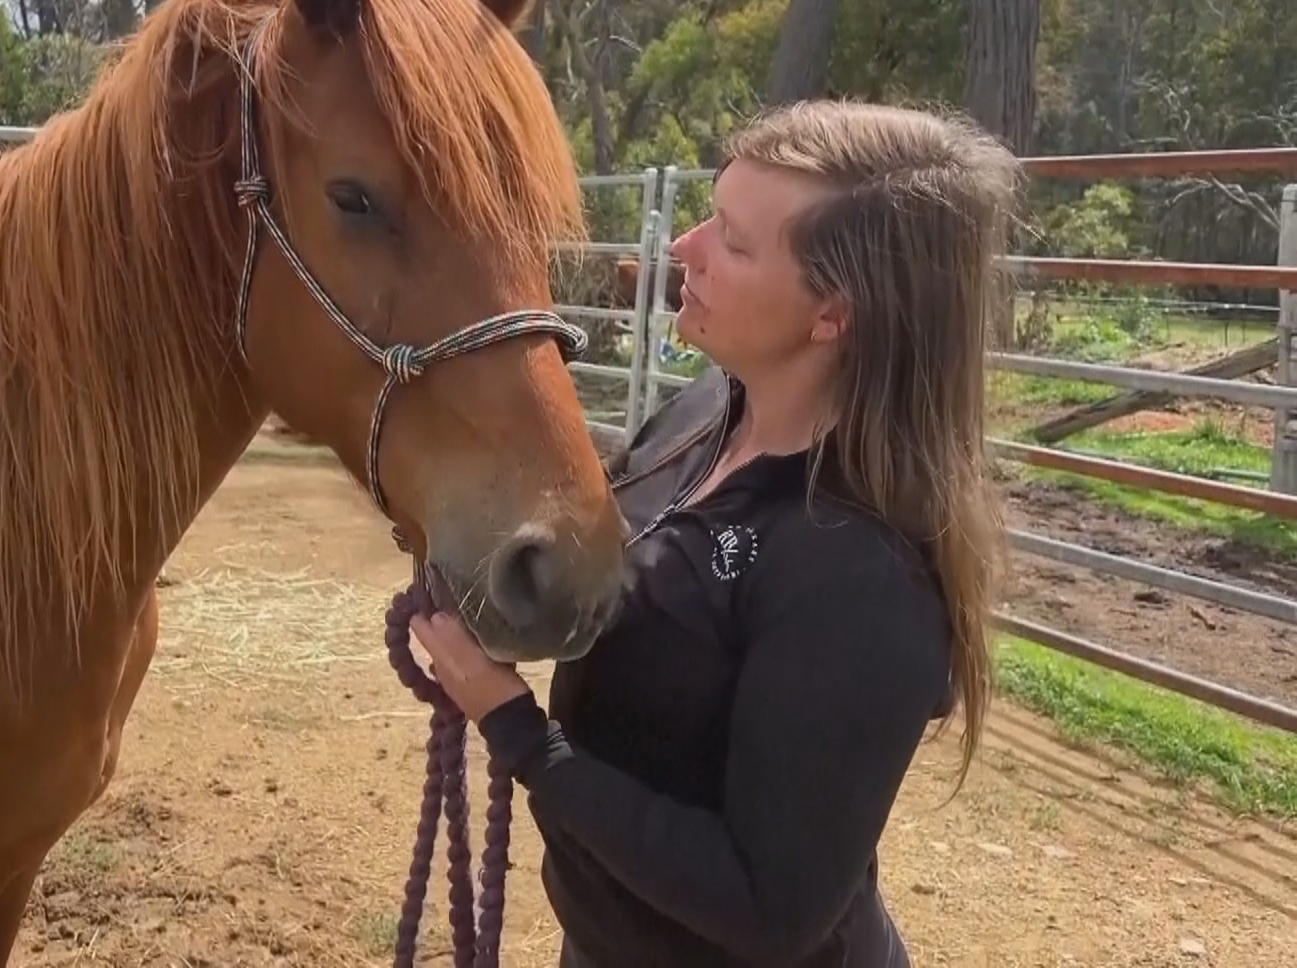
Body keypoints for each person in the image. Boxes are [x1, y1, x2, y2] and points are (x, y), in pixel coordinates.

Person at [410, 99, 1017, 968]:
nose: (685, 248)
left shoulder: (855, 574)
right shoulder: (706, 414)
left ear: (833, 313)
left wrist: (520, 736)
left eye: (733, 241)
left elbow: (767, 910)